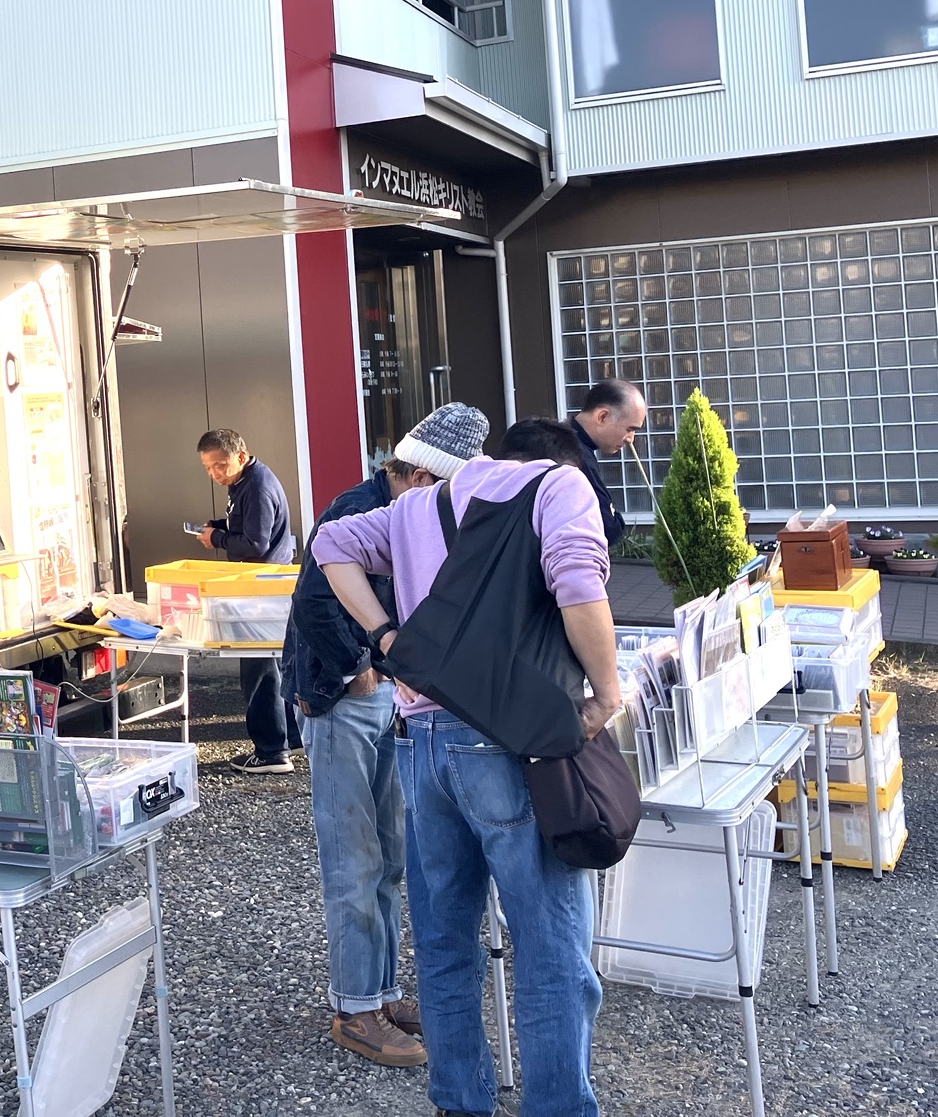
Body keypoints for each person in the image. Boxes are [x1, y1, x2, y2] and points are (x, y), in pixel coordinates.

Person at [312, 416, 620, 1117]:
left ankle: (460, 1101)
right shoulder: (559, 488)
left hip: (423, 740)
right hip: (512, 739)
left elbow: (329, 544)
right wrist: (607, 692)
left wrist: (386, 635)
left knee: (446, 942)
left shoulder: (415, 507)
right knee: (550, 946)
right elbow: (579, 586)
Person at [284, 402, 489, 1070]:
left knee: (390, 857)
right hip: (339, 696)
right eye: (446, 493)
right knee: (354, 860)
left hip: (382, 695)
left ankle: (383, 992)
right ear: (421, 477)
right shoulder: (358, 507)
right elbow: (312, 601)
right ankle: (355, 1009)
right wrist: (358, 666)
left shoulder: (400, 504)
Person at [190, 427, 299, 773]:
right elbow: (248, 526)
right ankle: (290, 738)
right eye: (208, 468)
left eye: (220, 465)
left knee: (259, 670)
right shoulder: (244, 481)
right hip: (261, 585)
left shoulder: (257, 486)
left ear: (240, 455)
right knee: (275, 667)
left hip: (262, 587)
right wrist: (218, 527)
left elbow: (256, 543)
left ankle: (271, 752)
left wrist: (218, 538)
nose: (215, 474)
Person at [570, 378, 646, 547]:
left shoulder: (555, 441)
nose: (630, 439)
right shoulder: (573, 454)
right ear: (602, 416)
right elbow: (609, 528)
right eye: (629, 429)